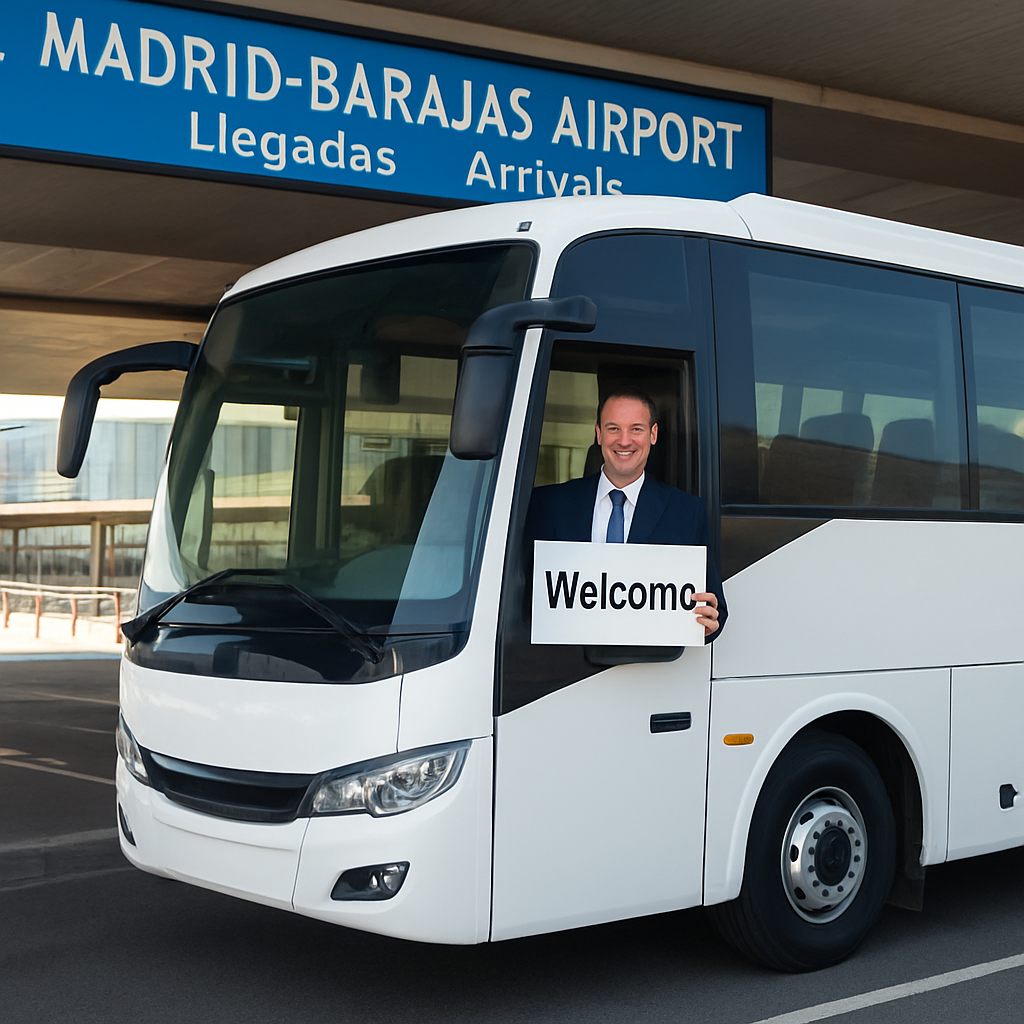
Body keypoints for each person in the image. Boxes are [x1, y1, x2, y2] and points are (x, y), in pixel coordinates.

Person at [525, 386, 726, 639]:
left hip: (651, 672)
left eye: (636, 429)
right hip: (565, 673)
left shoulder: (686, 512)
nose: (624, 440)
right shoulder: (548, 504)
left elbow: (715, 610)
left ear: (653, 434)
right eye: (613, 428)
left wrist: (707, 622)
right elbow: (524, 600)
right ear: (598, 434)